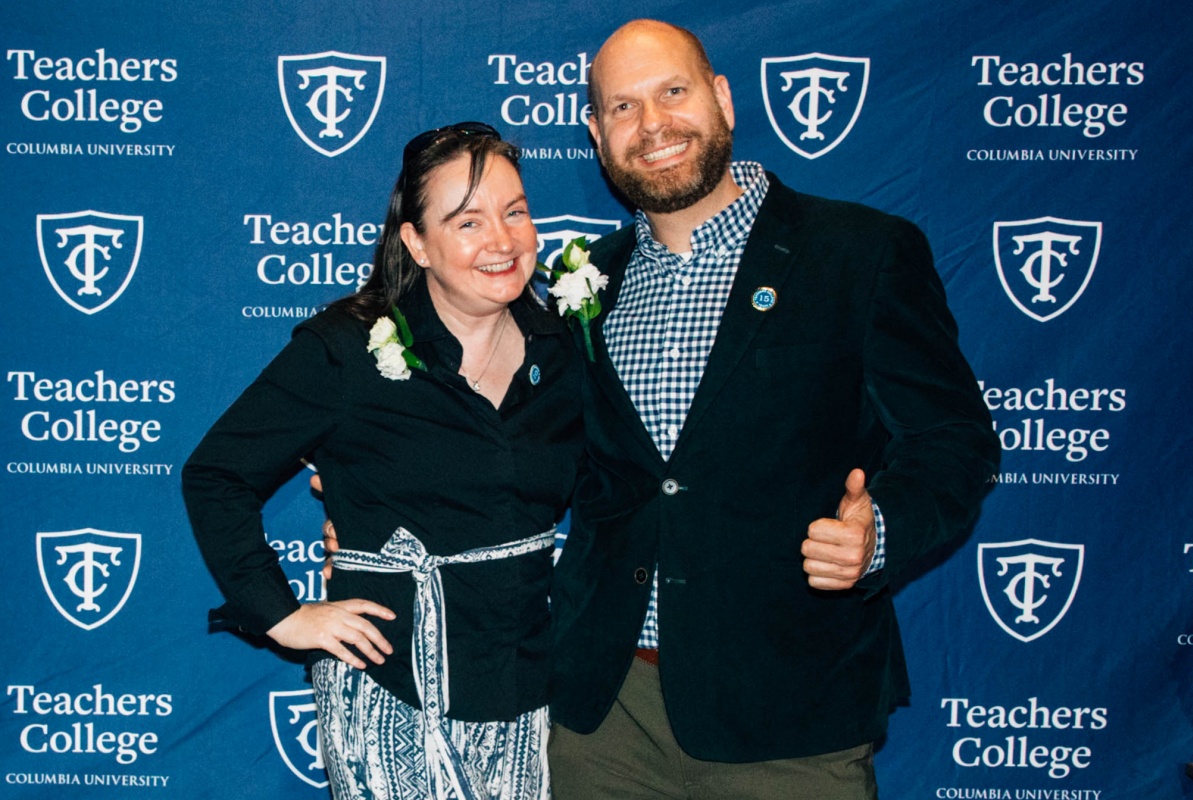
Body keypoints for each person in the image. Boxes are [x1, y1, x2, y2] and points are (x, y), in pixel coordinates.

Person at [545, 20, 1002, 800]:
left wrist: (879, 530)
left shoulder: (861, 252)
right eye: (622, 108)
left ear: (721, 99)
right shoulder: (587, 281)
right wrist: (389, 506)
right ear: (596, 134)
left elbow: (954, 440)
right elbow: (546, 459)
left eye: (673, 92)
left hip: (793, 715)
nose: (652, 125)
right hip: (606, 718)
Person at [182, 122, 583, 800]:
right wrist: (282, 615)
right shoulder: (347, 349)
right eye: (468, 222)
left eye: (515, 212)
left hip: (524, 689)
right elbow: (217, 473)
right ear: (416, 242)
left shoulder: (565, 348)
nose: (503, 240)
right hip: (390, 691)